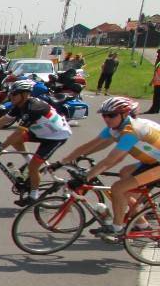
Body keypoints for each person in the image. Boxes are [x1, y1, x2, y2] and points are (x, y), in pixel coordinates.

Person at [49, 96, 160, 241]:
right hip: (152, 162)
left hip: (156, 164)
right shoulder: (115, 128)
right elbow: (91, 145)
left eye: (112, 115)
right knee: (125, 175)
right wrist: (62, 162)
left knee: (118, 188)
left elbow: (110, 161)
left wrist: (84, 178)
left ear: (125, 114)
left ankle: (117, 229)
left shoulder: (131, 132)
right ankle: (143, 225)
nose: (107, 119)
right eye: (105, 115)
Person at [0, 79, 72, 207]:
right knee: (16, 142)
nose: (11, 96)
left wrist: (0, 148)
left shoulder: (33, 108)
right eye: (11, 94)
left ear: (24, 94)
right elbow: (4, 120)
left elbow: (18, 133)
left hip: (56, 136)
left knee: (33, 166)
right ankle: (29, 162)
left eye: (14, 94)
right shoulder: (21, 105)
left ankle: (33, 196)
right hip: (42, 132)